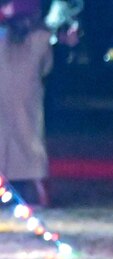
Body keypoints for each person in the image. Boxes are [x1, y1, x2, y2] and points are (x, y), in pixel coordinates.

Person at [0, 7, 53, 207]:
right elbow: (46, 67)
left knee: (6, 138)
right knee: (30, 140)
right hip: (28, 97)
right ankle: (39, 192)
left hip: (7, 95)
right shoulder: (40, 38)